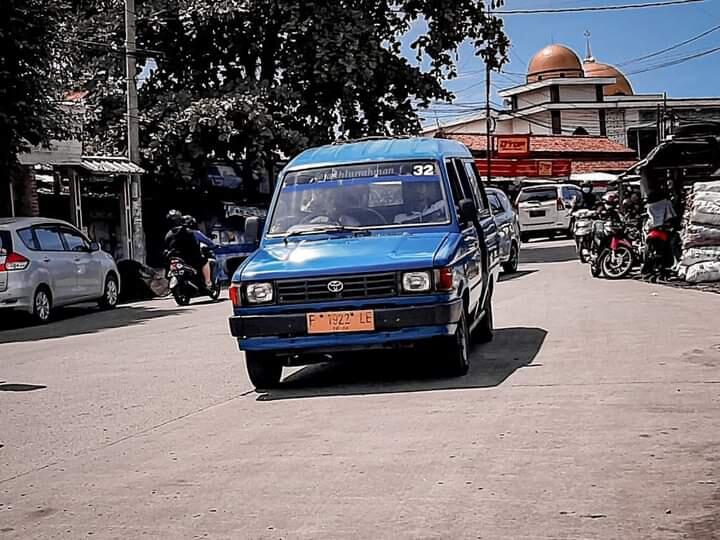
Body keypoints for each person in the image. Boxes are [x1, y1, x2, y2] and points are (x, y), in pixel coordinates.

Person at [164, 210, 212, 289]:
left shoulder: (168, 234)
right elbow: (195, 245)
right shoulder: (188, 232)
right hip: (190, 258)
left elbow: (166, 248)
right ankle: (208, 282)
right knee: (205, 261)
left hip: (176, 258)